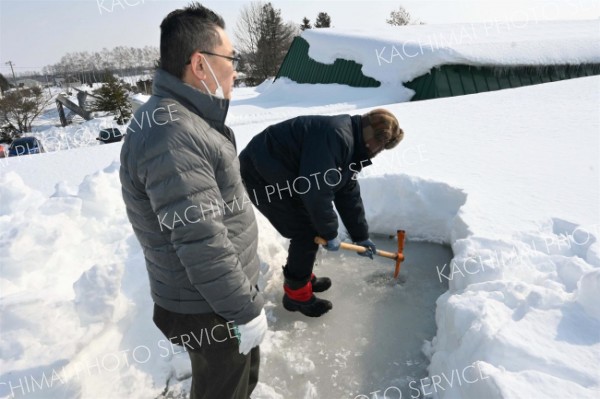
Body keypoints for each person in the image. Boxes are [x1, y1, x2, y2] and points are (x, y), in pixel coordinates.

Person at [119, 3, 266, 398]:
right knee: (223, 389)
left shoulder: (189, 121)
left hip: (221, 297)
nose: (236, 69)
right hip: (210, 307)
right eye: (230, 58)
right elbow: (201, 242)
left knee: (239, 381)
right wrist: (244, 309)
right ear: (200, 65)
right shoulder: (171, 134)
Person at [239, 109, 404, 317]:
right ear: (372, 138)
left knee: (312, 224)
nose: (377, 153)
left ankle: (302, 276)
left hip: (288, 173)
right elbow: (316, 191)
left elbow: (347, 191)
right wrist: (331, 233)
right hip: (262, 174)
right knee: (305, 230)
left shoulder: (353, 144)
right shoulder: (337, 137)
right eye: (380, 148)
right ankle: (296, 296)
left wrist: (361, 236)